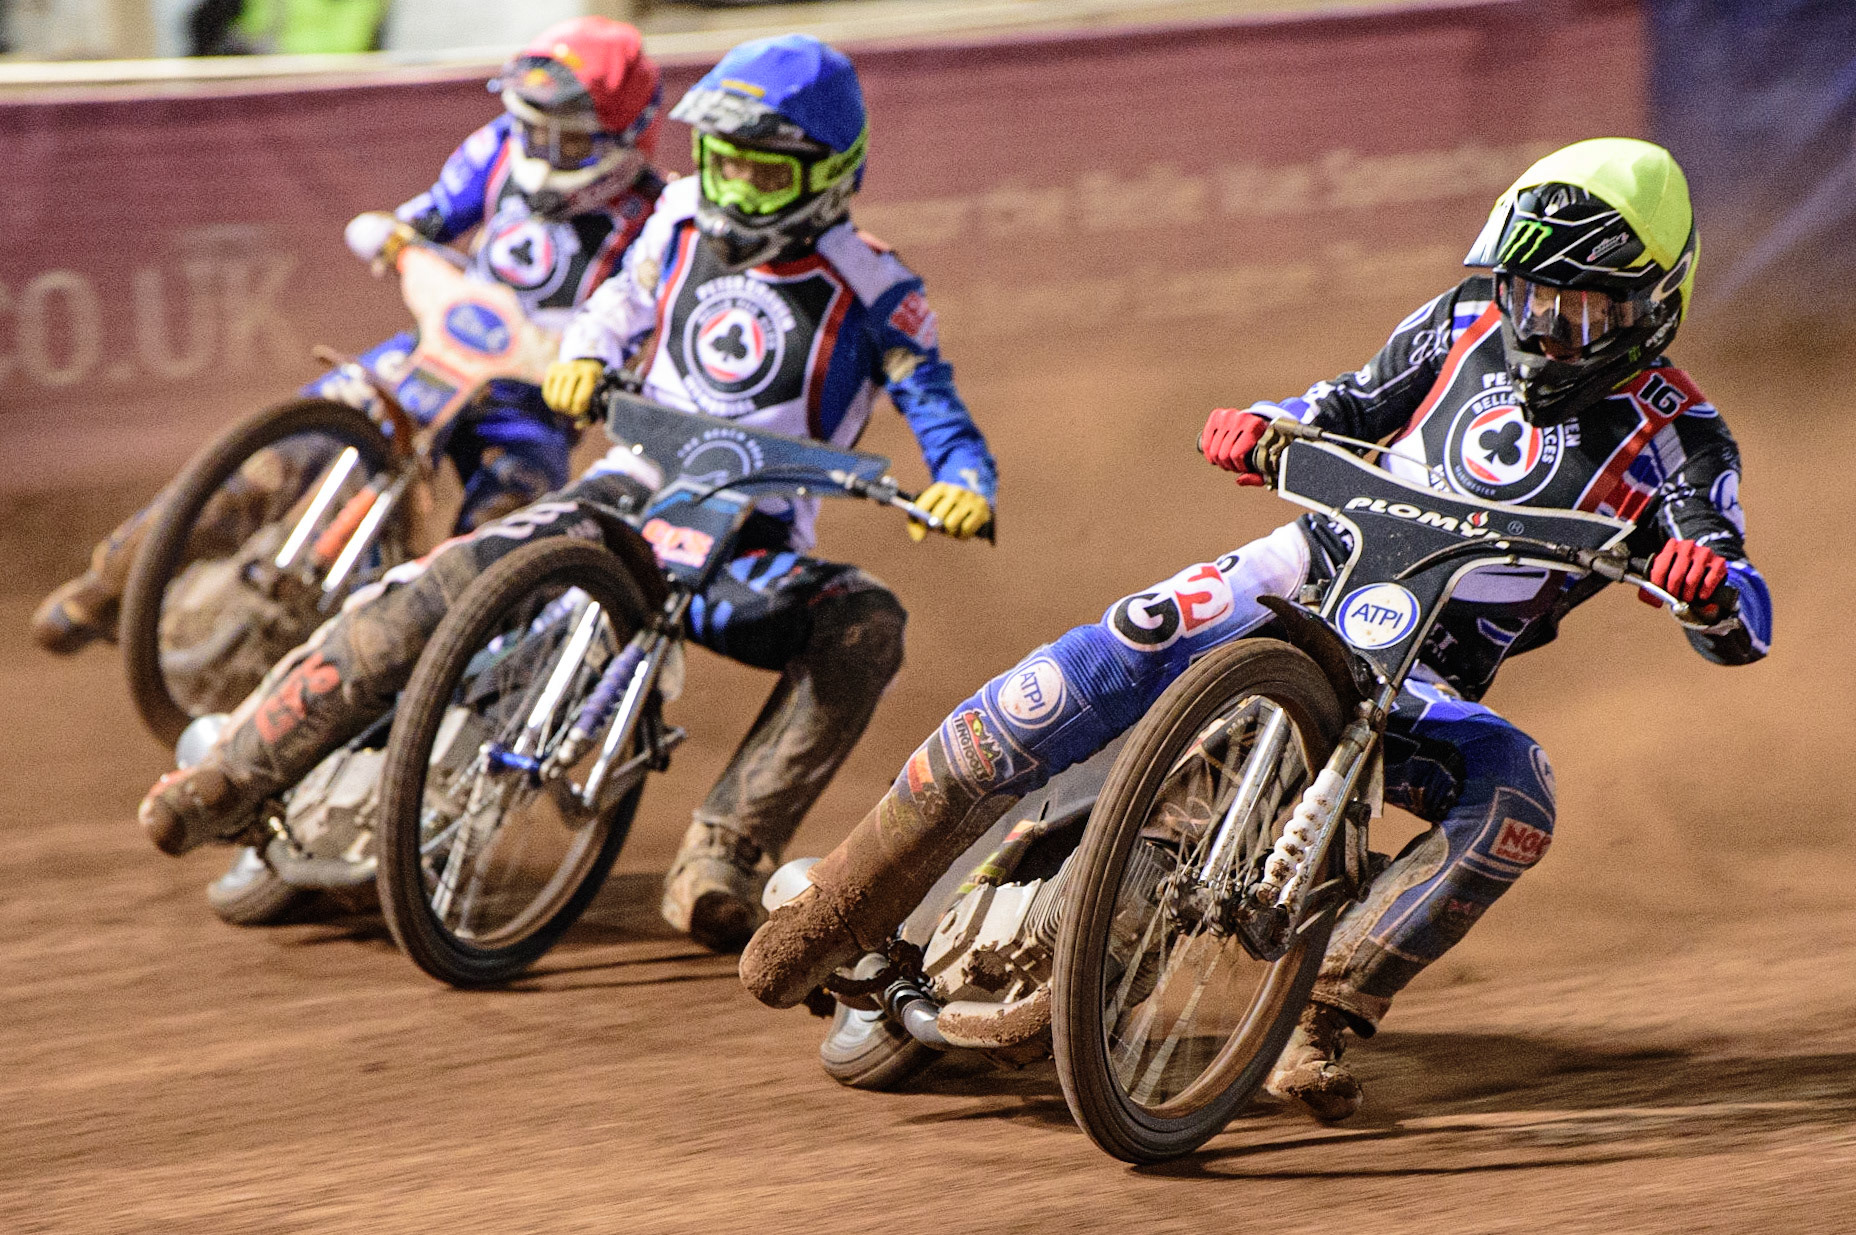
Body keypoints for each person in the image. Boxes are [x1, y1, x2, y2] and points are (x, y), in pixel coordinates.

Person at [738, 137, 1773, 1120]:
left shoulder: (1683, 438)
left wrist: (1709, 586)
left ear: (1653, 304)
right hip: (1305, 563)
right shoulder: (1462, 319)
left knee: (1518, 795)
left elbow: (1740, 611)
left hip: (1424, 674)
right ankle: (846, 895)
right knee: (1112, 647)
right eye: (1527, 296)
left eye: (1578, 309)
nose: (1543, 329)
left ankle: (1323, 1008)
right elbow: (1346, 403)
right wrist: (1266, 421)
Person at [137, 34, 1000, 954]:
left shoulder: (878, 289)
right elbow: (619, 302)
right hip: (625, 494)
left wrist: (964, 481)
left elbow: (933, 402)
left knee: (864, 623)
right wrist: (586, 354)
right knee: (441, 584)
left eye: (763, 174)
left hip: (749, 551)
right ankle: (231, 774)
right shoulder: (678, 215)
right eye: (722, 162)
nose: (734, 189)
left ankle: (726, 853)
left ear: (829, 175)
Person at [30, 16, 667, 656]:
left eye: (565, 139)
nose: (539, 148)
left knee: (501, 549)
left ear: (625, 138)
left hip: (533, 405)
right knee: (271, 458)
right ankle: (111, 583)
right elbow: (429, 217)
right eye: (531, 126)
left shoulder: (656, 219)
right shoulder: (498, 147)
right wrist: (396, 235)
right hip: (435, 355)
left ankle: (442, 685)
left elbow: (648, 328)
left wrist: (606, 374)